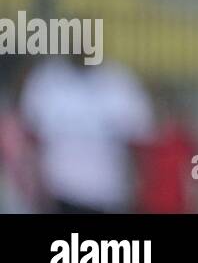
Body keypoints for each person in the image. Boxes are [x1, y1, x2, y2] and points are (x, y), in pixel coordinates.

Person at [20, 55, 155, 213]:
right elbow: (30, 141)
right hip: (60, 193)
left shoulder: (119, 82)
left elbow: (139, 141)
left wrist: (137, 190)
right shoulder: (46, 80)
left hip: (109, 194)